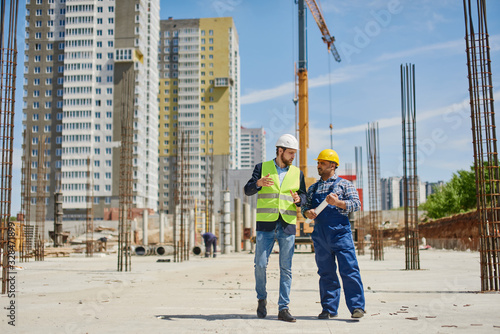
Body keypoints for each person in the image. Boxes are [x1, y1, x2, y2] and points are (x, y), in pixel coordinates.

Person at [244, 134, 306, 323]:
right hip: (266, 224)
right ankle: (261, 298)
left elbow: (303, 196)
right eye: (290, 153)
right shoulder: (261, 168)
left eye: (294, 153)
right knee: (260, 265)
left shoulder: (297, 173)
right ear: (280, 151)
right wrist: (258, 183)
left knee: (286, 268)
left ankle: (283, 308)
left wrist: (299, 200)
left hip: (287, 225)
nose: (293, 156)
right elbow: (248, 190)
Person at [301, 149, 365, 319]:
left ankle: (357, 307)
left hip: (340, 234)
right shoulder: (313, 188)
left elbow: (356, 204)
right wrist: (308, 213)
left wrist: (337, 202)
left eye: (322, 163)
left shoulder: (344, 185)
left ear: (332, 165)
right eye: (318, 163)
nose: (318, 166)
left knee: (349, 270)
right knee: (326, 273)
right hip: (320, 235)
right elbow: (304, 208)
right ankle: (329, 308)